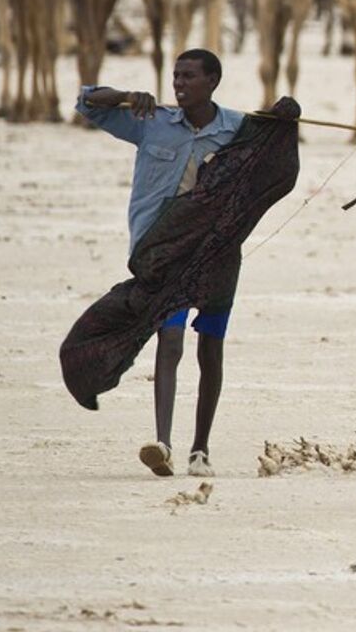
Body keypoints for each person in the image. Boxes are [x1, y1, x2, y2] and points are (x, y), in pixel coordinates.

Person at [78, 49, 246, 478]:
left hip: (216, 254)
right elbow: (86, 103)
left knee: (210, 347)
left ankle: (200, 449)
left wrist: (283, 117)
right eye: (175, 76)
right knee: (168, 343)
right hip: (164, 254)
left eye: (189, 76)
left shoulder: (236, 129)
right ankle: (163, 443)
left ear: (213, 81)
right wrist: (124, 95)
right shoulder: (150, 121)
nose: (178, 84)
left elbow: (275, 148)